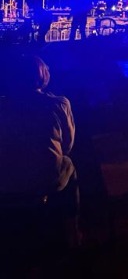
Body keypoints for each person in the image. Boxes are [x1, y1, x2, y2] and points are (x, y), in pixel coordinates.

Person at [0, 55, 80, 246]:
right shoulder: (58, 104)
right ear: (42, 75)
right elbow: (67, 146)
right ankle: (73, 231)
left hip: (5, 179)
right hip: (44, 178)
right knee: (68, 165)